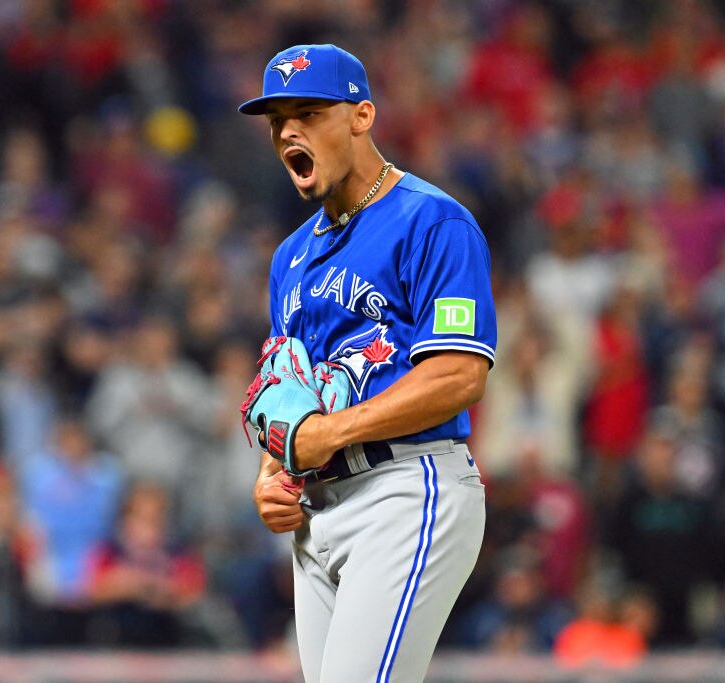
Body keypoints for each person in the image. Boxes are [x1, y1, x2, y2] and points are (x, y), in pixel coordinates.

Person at [239, 44, 496, 682]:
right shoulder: (289, 258)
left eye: (309, 112)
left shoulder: (432, 222)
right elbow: (292, 387)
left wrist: (333, 432)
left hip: (406, 490)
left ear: (361, 116)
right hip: (319, 511)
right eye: (277, 121)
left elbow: (460, 375)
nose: (288, 131)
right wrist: (275, 471)